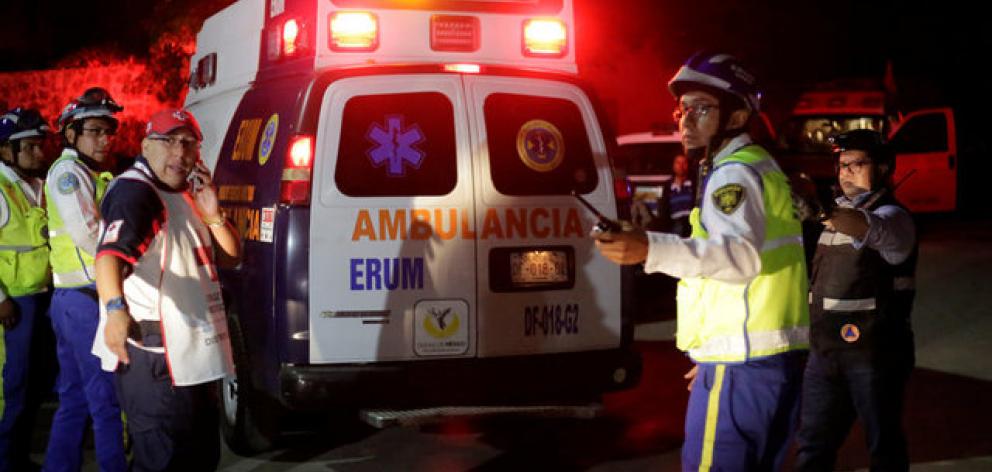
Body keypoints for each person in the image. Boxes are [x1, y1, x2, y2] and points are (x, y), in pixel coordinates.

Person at [593, 51, 809, 470]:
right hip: (768, 362)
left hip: (742, 366)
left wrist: (649, 249)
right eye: (681, 110)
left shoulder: (732, 173)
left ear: (736, 117)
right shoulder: (760, 166)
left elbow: (740, 257)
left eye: (701, 109)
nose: (685, 122)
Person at [93, 109, 239, 470]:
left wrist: (213, 215)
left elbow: (232, 256)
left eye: (188, 143)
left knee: (200, 458)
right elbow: (109, 257)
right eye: (168, 141)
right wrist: (114, 311)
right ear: (146, 145)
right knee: (164, 462)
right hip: (159, 361)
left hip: (194, 356)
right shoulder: (136, 192)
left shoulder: (190, 192)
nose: (179, 152)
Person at [794, 129, 917, 471]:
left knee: (883, 448)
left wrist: (822, 213)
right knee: (811, 447)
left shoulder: (895, 217)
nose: (845, 171)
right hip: (824, 354)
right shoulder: (834, 217)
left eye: (856, 164)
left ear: (883, 168)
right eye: (841, 164)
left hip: (876, 355)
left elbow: (868, 227)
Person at [43, 87, 127, 472]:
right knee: (105, 397)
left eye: (108, 130)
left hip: (74, 298)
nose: (104, 138)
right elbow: (88, 233)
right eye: (94, 130)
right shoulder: (68, 173)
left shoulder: (92, 172)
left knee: (75, 397)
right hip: (84, 297)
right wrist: (125, 265)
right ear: (71, 134)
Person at [0, 107, 53, 471]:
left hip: (41, 298)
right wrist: (1, 299)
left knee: (36, 384)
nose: (40, 153)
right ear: (7, 151)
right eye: (30, 147)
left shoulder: (36, 185)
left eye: (40, 146)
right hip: (14, 305)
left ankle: (18, 457)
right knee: (12, 388)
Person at [666, 153, 694, 237]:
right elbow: (664, 209)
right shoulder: (668, 185)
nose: (681, 166)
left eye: (684, 163)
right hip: (675, 225)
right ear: (673, 165)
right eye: (678, 163)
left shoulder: (694, 183)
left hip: (691, 223)